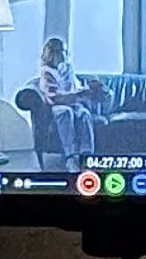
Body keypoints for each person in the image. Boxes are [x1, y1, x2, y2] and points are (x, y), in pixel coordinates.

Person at [35, 36, 102, 172]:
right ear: (50, 53)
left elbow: (76, 86)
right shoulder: (46, 71)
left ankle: (86, 154)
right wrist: (74, 96)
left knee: (84, 114)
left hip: (74, 102)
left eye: (64, 51)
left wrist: (86, 90)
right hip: (57, 104)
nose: (62, 54)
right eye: (58, 51)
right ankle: (70, 156)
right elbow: (53, 96)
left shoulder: (68, 68)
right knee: (65, 112)